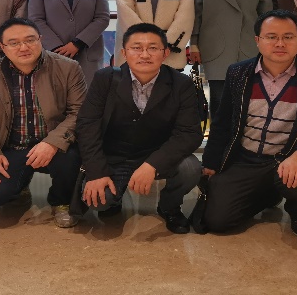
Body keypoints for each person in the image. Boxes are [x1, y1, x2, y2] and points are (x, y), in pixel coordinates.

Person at [201, 10, 297, 238]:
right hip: (247, 158)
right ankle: (268, 192)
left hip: (291, 156)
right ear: (257, 40)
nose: (280, 43)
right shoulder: (238, 73)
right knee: (217, 221)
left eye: (288, 37)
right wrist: (211, 162)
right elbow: (222, 121)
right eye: (271, 37)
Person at [75, 23, 203, 234]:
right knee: (100, 202)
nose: (144, 54)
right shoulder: (105, 79)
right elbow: (87, 125)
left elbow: (189, 133)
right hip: (114, 155)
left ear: (165, 53)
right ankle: (115, 198)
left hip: (156, 154)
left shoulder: (181, 84)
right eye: (136, 48)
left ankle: (169, 207)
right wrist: (97, 172)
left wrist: (152, 165)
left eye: (153, 48)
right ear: (124, 53)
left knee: (190, 168)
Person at [0, 18, 87, 228]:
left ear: (40, 39)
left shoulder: (68, 67)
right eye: (14, 43)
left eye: (30, 40)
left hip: (55, 143)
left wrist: (52, 143)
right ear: (2, 47)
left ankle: (61, 201)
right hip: (13, 145)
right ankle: (19, 185)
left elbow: (79, 112)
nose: (24, 47)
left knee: (71, 159)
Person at [191, 0, 273, 121]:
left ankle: (248, 137)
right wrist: (193, 44)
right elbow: (196, 16)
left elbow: (267, 16)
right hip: (214, 46)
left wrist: (268, 44)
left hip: (249, 45)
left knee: (251, 100)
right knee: (219, 100)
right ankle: (219, 138)